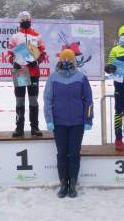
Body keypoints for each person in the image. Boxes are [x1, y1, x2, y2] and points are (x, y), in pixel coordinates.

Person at [44, 49, 93, 198]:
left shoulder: (81, 77)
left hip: (77, 123)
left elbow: (88, 101)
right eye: (64, 59)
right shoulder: (52, 78)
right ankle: (63, 183)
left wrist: (88, 120)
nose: (66, 62)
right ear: (59, 60)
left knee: (74, 153)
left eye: (69, 60)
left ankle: (72, 184)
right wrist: (49, 120)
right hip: (59, 123)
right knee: (62, 154)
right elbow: (47, 100)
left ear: (73, 61)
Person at [8, 11, 47, 137]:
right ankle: (19, 128)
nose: (25, 20)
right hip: (20, 71)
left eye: (27, 18)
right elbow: (9, 55)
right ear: (19, 21)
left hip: (33, 71)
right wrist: (15, 61)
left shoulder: (37, 36)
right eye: (22, 19)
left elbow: (43, 53)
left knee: (33, 100)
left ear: (30, 19)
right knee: (19, 101)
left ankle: (34, 127)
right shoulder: (15, 37)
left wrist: (37, 61)